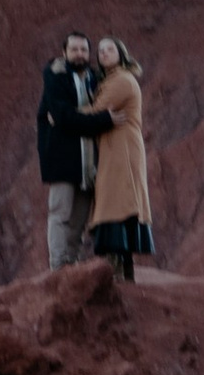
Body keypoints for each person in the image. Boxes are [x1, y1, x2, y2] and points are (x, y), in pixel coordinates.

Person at [75, 34, 153, 282]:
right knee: (117, 203)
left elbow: (96, 111)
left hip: (122, 151)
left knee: (116, 204)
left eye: (109, 49)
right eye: (100, 51)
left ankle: (117, 273)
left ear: (121, 53)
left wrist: (64, 115)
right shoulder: (110, 81)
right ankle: (121, 272)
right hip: (115, 149)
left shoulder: (121, 81)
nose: (104, 53)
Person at [35, 34, 95, 269]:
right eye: (74, 49)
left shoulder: (93, 78)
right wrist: (97, 118)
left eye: (84, 49)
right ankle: (58, 268)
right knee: (60, 213)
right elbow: (62, 115)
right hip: (62, 157)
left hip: (88, 160)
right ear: (64, 52)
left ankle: (72, 267)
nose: (80, 53)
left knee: (79, 219)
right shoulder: (56, 76)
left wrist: (77, 117)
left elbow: (69, 117)